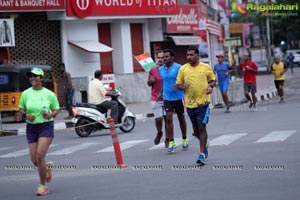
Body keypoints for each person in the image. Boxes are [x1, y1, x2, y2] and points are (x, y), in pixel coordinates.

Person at [19, 67, 60, 196]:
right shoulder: (26, 93)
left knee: (40, 155)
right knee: (35, 160)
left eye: (36, 76)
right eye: (31, 76)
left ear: (41, 78)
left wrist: (50, 115)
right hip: (31, 127)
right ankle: (46, 168)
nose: (33, 78)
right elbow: (21, 108)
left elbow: (56, 109)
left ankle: (42, 186)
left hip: (46, 126)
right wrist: (26, 115)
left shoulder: (49, 94)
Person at [176, 46, 216, 166]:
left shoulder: (205, 67)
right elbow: (178, 84)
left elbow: (213, 80)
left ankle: (202, 154)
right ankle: (205, 143)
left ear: (197, 56)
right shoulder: (183, 69)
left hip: (203, 103)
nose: (189, 57)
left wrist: (211, 86)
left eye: (191, 55)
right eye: (187, 55)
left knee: (202, 127)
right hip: (190, 104)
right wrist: (183, 87)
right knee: (195, 131)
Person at [158, 49, 187, 153]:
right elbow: (164, 82)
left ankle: (184, 139)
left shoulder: (179, 67)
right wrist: (160, 92)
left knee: (181, 118)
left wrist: (181, 86)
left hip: (179, 97)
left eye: (166, 56)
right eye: (163, 57)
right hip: (167, 97)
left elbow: (184, 81)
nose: (164, 58)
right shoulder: (161, 69)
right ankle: (171, 141)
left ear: (172, 57)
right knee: (168, 118)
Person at [147, 50, 168, 147]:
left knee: (168, 119)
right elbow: (149, 84)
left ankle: (168, 138)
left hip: (167, 97)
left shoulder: (169, 69)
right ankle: (159, 132)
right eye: (158, 58)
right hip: (155, 98)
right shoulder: (152, 70)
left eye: (162, 57)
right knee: (158, 119)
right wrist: (151, 82)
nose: (160, 59)